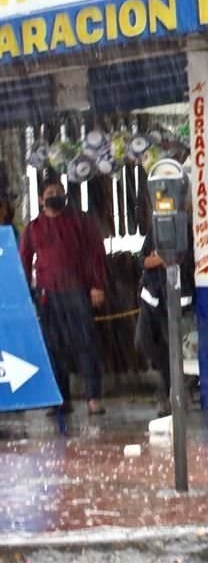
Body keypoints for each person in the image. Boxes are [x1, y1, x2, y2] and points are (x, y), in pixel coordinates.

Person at [19, 178, 107, 415]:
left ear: (65, 195)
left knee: (86, 344)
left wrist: (97, 285)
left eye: (59, 191)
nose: (55, 195)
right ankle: (61, 399)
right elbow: (24, 263)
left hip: (78, 291)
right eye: (50, 192)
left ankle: (93, 398)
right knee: (54, 347)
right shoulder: (33, 229)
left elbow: (96, 253)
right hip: (48, 296)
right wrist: (25, 296)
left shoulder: (80, 222)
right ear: (41, 199)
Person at [136, 222, 195, 418]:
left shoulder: (185, 227)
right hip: (151, 298)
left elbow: (181, 259)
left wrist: (163, 259)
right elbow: (143, 260)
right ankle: (172, 385)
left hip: (176, 297)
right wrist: (159, 259)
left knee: (175, 347)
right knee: (144, 341)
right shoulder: (155, 227)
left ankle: (175, 393)